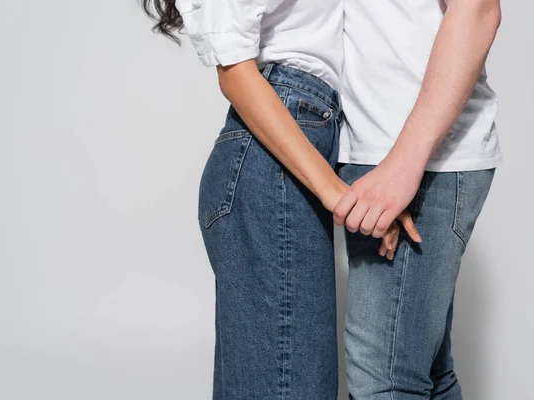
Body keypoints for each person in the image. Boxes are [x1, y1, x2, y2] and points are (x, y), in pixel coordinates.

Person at [141, 0, 420, 398]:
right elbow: (235, 73)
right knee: (291, 386)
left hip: (294, 145)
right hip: (275, 155)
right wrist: (337, 194)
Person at [333, 0, 502, 398]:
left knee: (385, 378)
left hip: (416, 157)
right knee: (427, 374)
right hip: (384, 151)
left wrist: (403, 164)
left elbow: (478, 8)